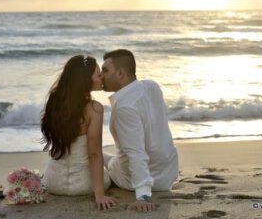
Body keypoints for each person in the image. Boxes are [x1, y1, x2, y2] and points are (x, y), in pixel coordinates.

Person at [100, 49, 179, 211]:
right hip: (168, 174)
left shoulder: (125, 107)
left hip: (137, 179)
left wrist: (142, 195)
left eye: (105, 70)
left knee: (92, 152)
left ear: (121, 73)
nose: (101, 75)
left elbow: (136, 153)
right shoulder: (152, 86)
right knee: (107, 157)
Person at [41, 55, 118, 210]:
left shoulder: (55, 100)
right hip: (84, 185)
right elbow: (94, 154)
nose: (102, 76)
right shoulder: (94, 109)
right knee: (113, 163)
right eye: (98, 74)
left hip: (53, 183)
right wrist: (100, 195)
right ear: (85, 80)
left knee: (107, 157)